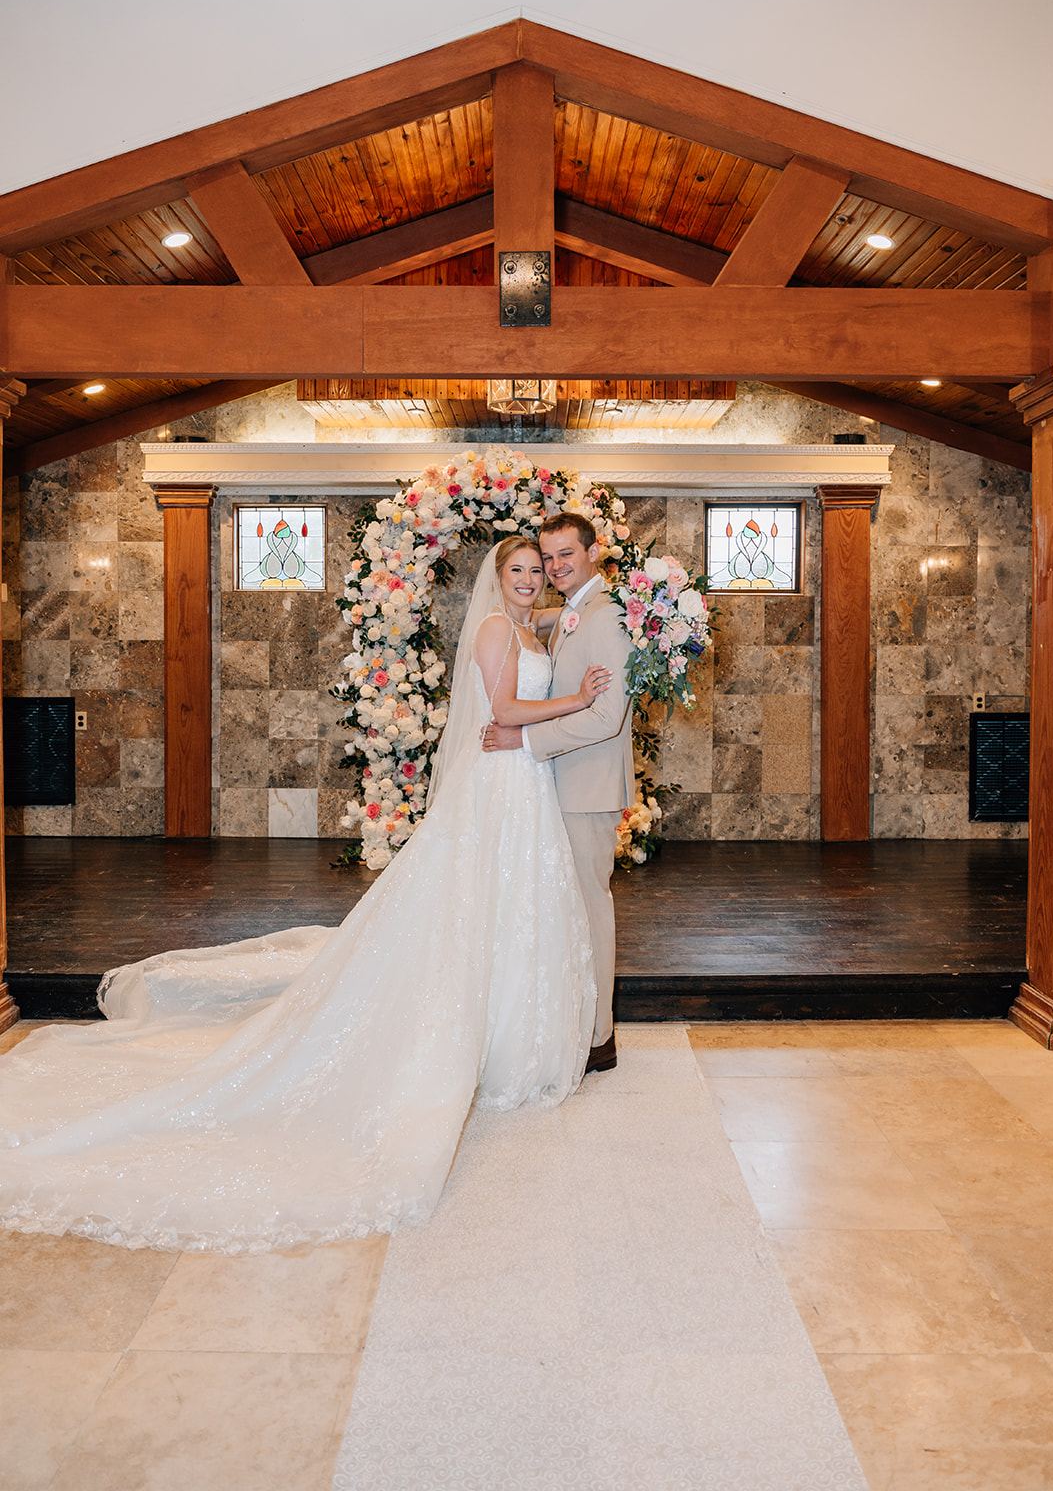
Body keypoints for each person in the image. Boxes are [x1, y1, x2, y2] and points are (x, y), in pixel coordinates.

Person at [0, 537, 610, 1254]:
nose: (529, 580)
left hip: (523, 784)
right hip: (502, 782)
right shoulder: (489, 628)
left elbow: (548, 645)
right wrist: (579, 697)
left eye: (538, 571)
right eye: (518, 571)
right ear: (496, 578)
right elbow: (502, 708)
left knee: (516, 907)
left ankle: (513, 1033)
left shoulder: (525, 625)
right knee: (477, 905)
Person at [484, 514, 635, 1073]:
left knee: (591, 908)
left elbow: (607, 718)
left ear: (594, 552)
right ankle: (578, 1020)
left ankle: (600, 1038)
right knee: (568, 908)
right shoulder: (578, 611)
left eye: (565, 555)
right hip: (562, 782)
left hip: (587, 784)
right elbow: (543, 613)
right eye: (546, 559)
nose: (554, 567)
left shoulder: (608, 615)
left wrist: (523, 739)